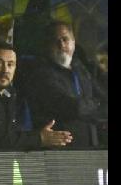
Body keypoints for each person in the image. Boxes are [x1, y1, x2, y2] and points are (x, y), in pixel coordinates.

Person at [23, 21, 107, 149]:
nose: (61, 45)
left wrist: (95, 105)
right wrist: (97, 104)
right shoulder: (41, 74)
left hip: (89, 146)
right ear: (47, 45)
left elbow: (102, 97)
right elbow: (73, 107)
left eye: (65, 39)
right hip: (60, 149)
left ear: (73, 42)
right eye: (55, 41)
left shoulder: (80, 68)